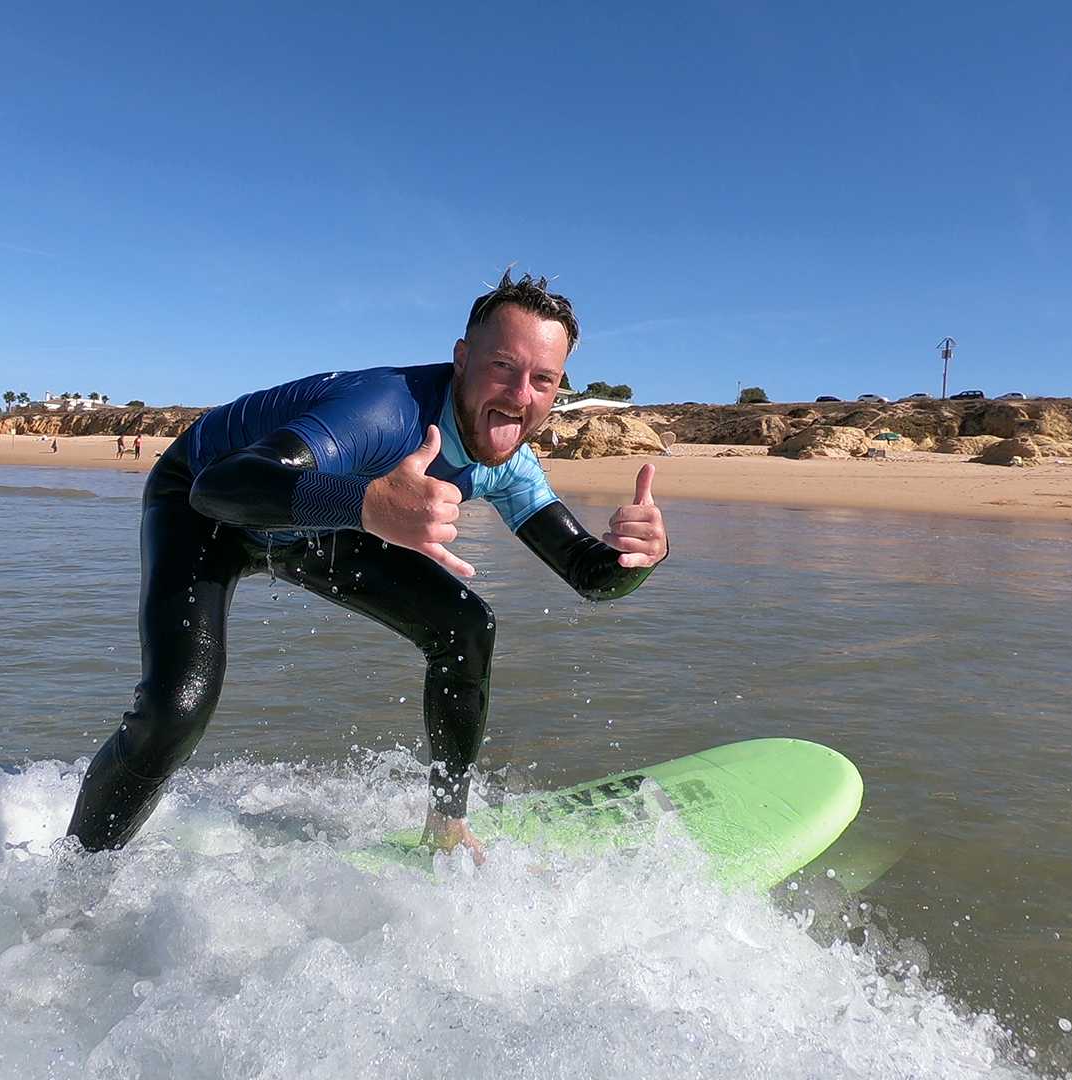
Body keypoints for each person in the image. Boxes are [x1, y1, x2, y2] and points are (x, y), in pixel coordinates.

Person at [63, 271, 669, 860]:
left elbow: (590, 576)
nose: (520, 396)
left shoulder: (510, 464)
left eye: (543, 379)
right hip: (201, 503)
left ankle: (447, 821)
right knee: (176, 710)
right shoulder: (385, 412)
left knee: (466, 627)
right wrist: (368, 505)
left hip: (320, 519)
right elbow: (219, 488)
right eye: (503, 367)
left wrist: (640, 557)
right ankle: (74, 878)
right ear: (462, 358)